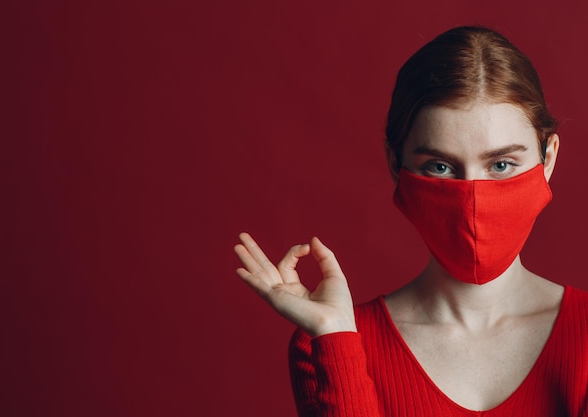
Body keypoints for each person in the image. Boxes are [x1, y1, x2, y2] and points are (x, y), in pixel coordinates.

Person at [233, 26, 588, 416]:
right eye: (440, 166)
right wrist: (336, 338)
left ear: (548, 159)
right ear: (395, 165)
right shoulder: (326, 341)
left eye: (501, 164)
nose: (472, 195)